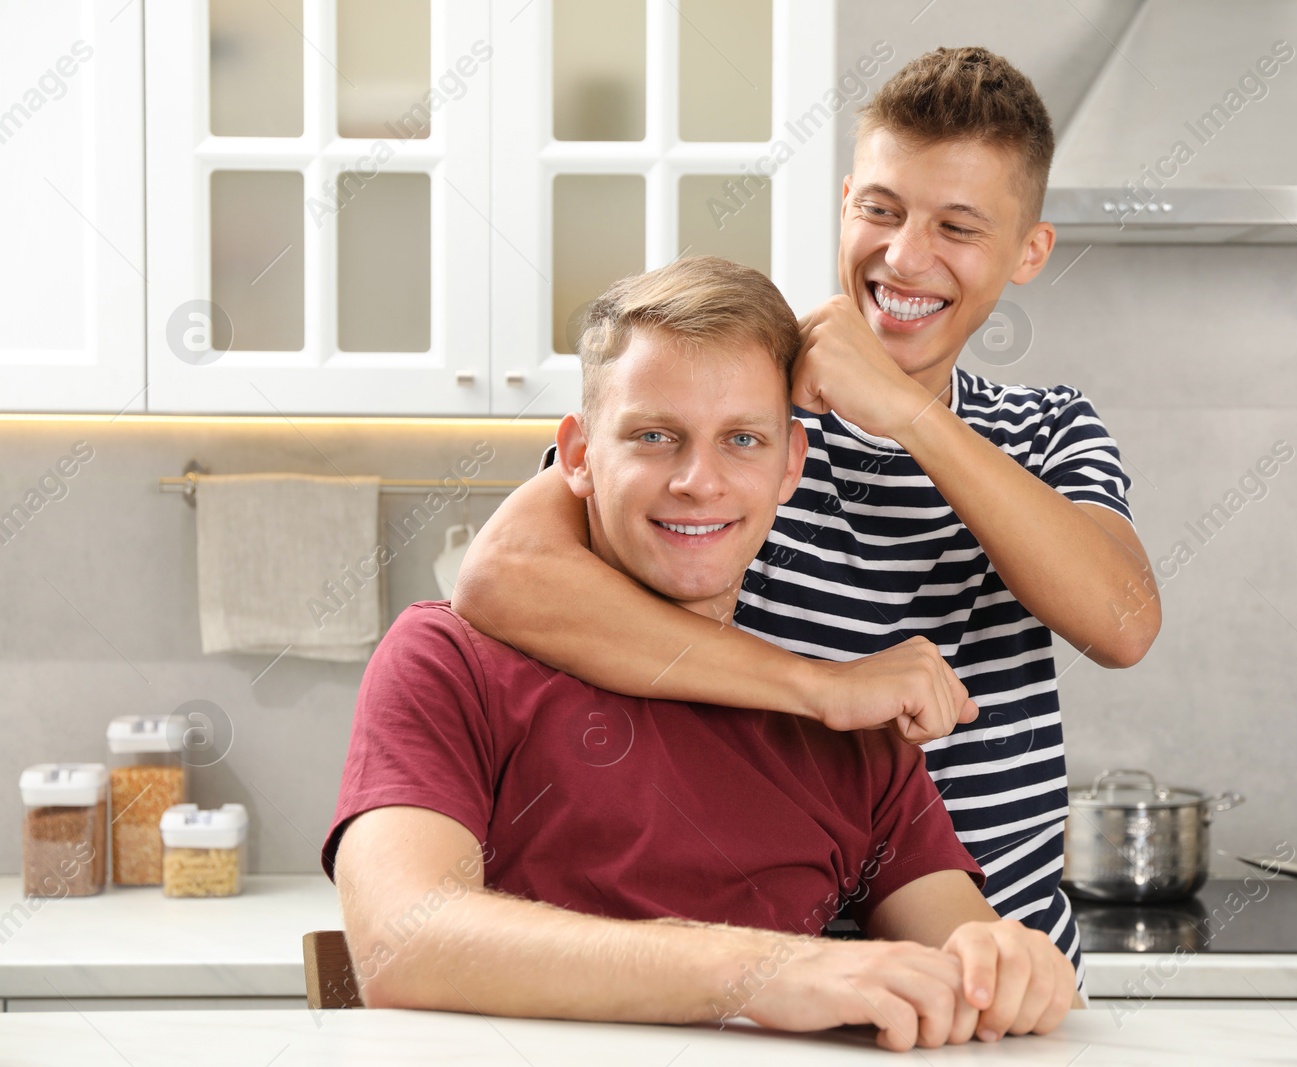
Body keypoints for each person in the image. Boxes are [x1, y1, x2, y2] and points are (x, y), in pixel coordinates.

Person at [452, 47, 1161, 993]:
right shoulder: (740, 407)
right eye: (881, 209)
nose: (905, 256)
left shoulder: (1045, 431)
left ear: (1029, 250)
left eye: (958, 225)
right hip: (763, 968)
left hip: (991, 971)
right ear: (845, 203)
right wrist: (823, 686)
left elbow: (1121, 622)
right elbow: (501, 577)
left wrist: (911, 414)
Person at [323, 257, 1078, 1052]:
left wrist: (1010, 963)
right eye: (655, 436)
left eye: (742, 440)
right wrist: (764, 970)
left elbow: (969, 958)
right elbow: (399, 941)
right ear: (577, 455)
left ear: (790, 465)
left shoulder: (851, 728)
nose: (698, 481)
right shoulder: (448, 661)